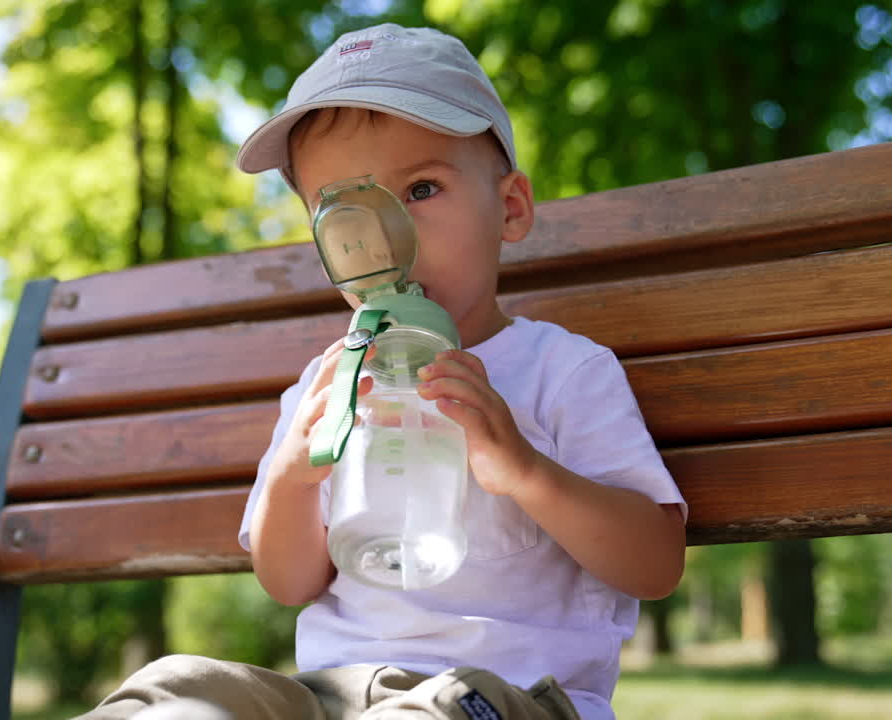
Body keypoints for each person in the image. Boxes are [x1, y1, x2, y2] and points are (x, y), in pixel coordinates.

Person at [74, 23, 686, 720]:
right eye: (343, 211)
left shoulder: (563, 371)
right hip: (334, 692)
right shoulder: (325, 386)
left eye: (421, 189)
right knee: (183, 691)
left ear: (510, 207)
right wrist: (294, 476)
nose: (385, 237)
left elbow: (654, 564)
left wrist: (524, 470)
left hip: (502, 694)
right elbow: (289, 581)